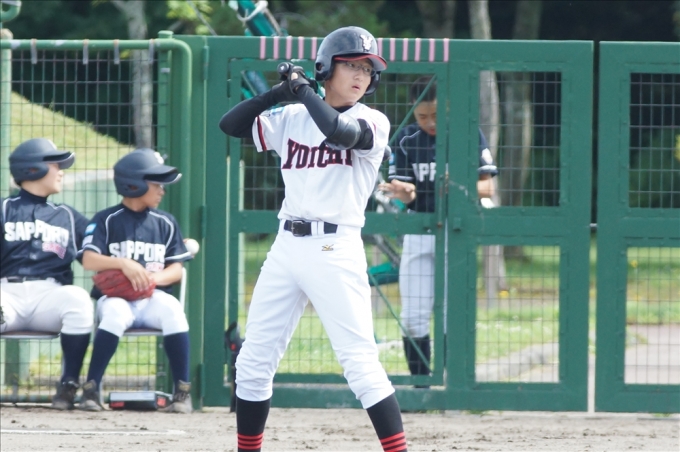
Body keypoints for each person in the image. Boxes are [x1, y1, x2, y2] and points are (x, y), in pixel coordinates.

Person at [219, 26, 409, 452]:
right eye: (351, 65)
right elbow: (229, 125)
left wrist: (304, 90)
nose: (360, 75)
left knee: (359, 363)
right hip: (286, 246)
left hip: (334, 248)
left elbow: (340, 132)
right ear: (326, 67)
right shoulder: (292, 117)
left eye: (367, 69)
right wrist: (277, 93)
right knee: (252, 364)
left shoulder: (372, 120)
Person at [379, 76, 498, 382]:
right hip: (420, 229)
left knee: (451, 313)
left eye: (435, 115)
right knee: (413, 315)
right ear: (412, 110)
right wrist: (402, 191)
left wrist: (455, 188)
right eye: (422, 116)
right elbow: (408, 194)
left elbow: (486, 187)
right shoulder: (406, 138)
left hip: (456, 232)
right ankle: (421, 385)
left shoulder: (467, 134)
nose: (429, 123)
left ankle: (450, 383)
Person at [78, 149, 193, 413]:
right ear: (133, 184)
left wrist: (151, 278)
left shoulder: (165, 222)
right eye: (156, 184)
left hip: (152, 298)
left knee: (173, 309)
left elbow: (176, 270)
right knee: (114, 314)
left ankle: (182, 392)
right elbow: (89, 260)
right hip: (116, 298)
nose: (162, 190)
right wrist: (123, 263)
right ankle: (91, 389)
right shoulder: (107, 219)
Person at [0, 138, 94, 410]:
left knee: (78, 299)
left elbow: (102, 246)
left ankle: (68, 385)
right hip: (7, 296)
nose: (61, 171)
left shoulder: (67, 216)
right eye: (55, 165)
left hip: (49, 298)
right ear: (33, 168)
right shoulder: (4, 210)